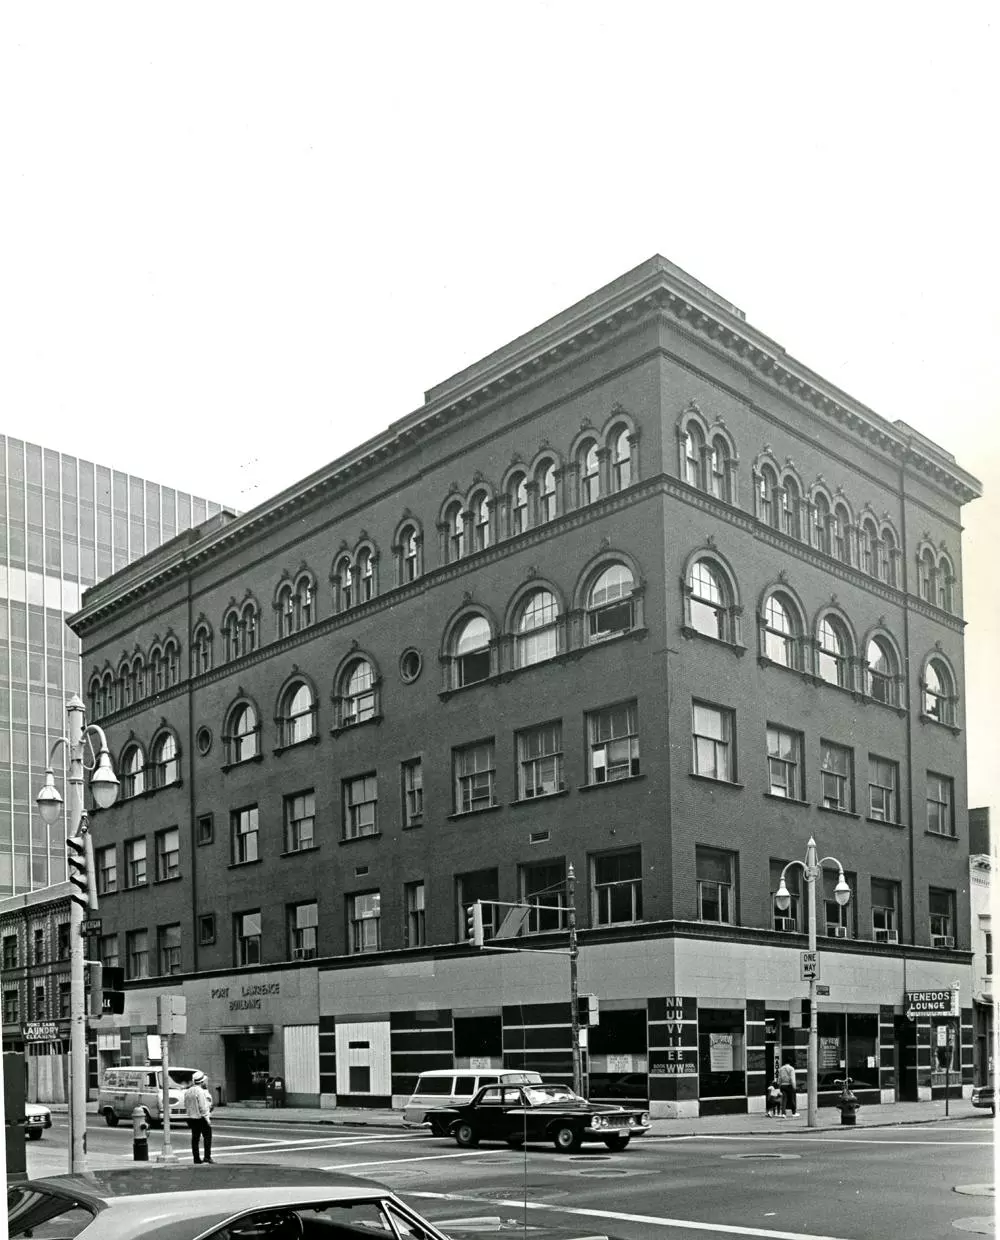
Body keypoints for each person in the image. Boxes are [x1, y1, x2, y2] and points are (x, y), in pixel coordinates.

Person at [184, 1071, 214, 1163]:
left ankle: (196, 1158)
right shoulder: (200, 1091)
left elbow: (186, 1105)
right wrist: (207, 1119)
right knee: (207, 1137)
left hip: (191, 1118)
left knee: (195, 1139)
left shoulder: (188, 1091)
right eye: (204, 1081)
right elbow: (203, 1107)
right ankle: (207, 1157)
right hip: (200, 1118)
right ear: (202, 1082)